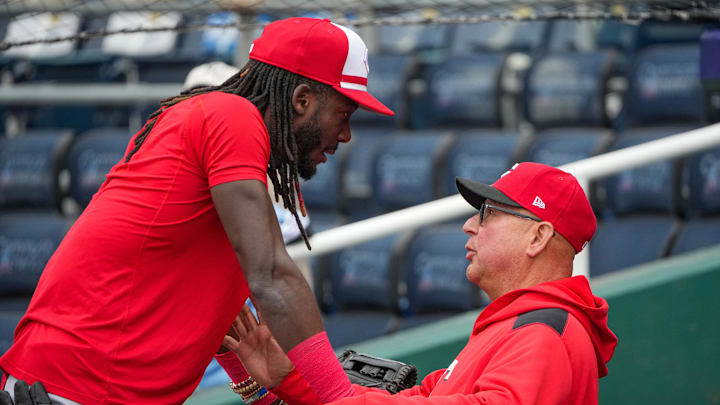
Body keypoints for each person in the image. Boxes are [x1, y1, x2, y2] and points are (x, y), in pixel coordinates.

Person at [0, 17, 393, 404]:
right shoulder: (231, 115)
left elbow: (223, 318)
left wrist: (265, 394)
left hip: (78, 382)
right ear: (302, 100)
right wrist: (342, 399)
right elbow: (272, 275)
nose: (345, 135)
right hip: (74, 386)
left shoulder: (213, 135)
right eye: (344, 115)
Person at [223, 162, 619, 405]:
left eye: (488, 214)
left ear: (538, 237)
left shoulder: (544, 329)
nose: (469, 225)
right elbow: (422, 397)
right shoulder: (516, 324)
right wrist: (288, 379)